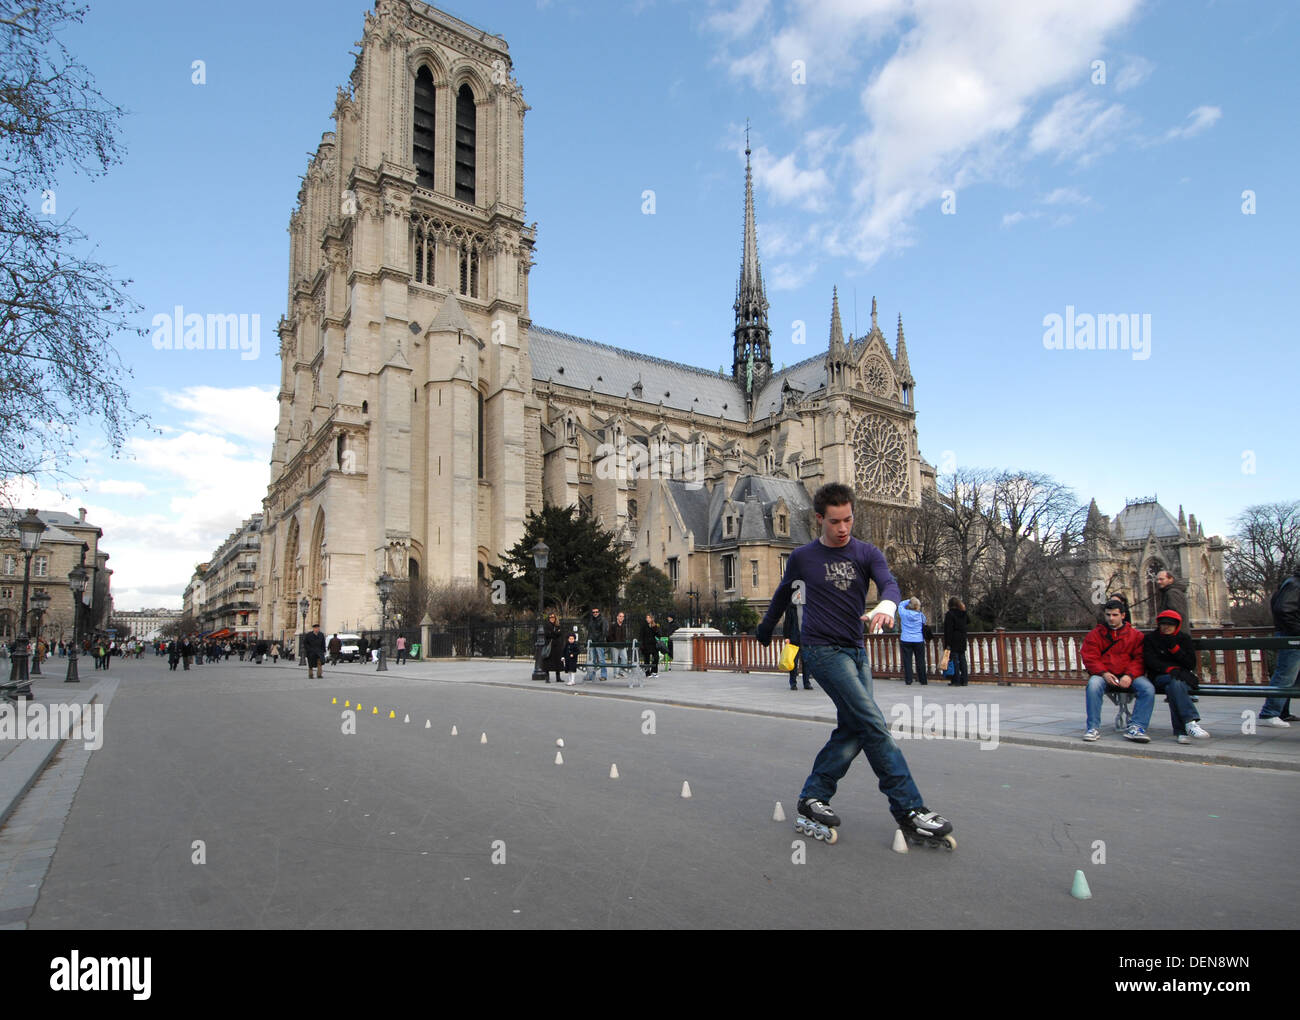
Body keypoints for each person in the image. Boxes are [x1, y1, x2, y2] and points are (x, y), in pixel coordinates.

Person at [755, 482, 954, 846]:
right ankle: (909, 808)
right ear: (820, 519)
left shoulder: (867, 553)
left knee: (854, 728)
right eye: (835, 521)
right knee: (874, 723)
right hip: (822, 651)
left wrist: (886, 605)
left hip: (857, 651)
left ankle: (813, 795)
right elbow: (784, 591)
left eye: (848, 519)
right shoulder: (803, 556)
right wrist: (767, 627)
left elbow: (890, 584)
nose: (843, 528)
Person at [1080, 600, 1154, 742]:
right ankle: (1092, 727)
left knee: (1147, 688)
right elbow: (1090, 657)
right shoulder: (1095, 634)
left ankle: (1137, 726)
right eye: (1108, 615)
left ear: (1123, 615)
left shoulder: (1135, 635)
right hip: (1104, 674)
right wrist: (1104, 673)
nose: (1111, 618)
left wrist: (1130, 675)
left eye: (1115, 615)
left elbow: (1140, 659)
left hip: (1129, 675)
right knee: (1093, 685)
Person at [1143, 610, 1210, 743]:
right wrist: (1170, 669)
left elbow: (1190, 663)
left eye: (1170, 624)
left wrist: (1175, 649)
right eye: (1163, 624)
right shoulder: (1151, 639)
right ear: (1159, 624)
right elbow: (1150, 661)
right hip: (1160, 676)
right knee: (1175, 683)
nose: (1166, 627)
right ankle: (1190, 722)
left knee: (1174, 686)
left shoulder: (1183, 638)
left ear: (1176, 625)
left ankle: (1182, 732)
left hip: (1181, 677)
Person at [1259, 572, 1300, 727]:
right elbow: (1284, 610)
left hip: (1291, 634)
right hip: (1292, 637)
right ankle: (1269, 713)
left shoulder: (1291, 583)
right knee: (1285, 675)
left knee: (1292, 677)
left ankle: (1282, 711)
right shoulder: (1294, 584)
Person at [897, 597, 927, 686]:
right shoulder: (921, 615)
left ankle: (909, 680)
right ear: (918, 606)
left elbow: (900, 605)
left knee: (907, 660)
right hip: (918, 639)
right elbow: (924, 623)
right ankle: (923, 679)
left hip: (906, 639)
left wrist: (909, 600)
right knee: (920, 660)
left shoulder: (904, 613)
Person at [782, 603, 812, 690]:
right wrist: (786, 637)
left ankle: (807, 683)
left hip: (805, 639)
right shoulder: (790, 608)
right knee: (793, 663)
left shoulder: (807, 607)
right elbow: (787, 623)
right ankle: (793, 683)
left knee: (806, 662)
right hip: (793, 639)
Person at [942, 597, 969, 686]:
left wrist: (947, 644)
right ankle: (964, 679)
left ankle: (956, 680)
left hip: (953, 639)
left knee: (954, 661)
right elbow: (968, 622)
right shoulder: (963, 613)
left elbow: (948, 630)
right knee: (962, 660)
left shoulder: (949, 614)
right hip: (962, 638)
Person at [585, 607, 609, 682]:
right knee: (593, 660)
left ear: (599, 612)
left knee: (601, 659)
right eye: (593, 612)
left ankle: (604, 675)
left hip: (599, 642)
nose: (595, 613)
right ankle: (592, 674)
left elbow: (604, 631)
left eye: (596, 612)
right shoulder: (591, 621)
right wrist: (588, 641)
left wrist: (600, 640)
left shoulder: (603, 620)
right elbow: (589, 632)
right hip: (592, 642)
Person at [543, 612, 563, 683]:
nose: (552, 618)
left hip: (557, 646)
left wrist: (553, 633)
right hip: (549, 645)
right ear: (548, 618)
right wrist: (555, 633)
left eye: (553, 617)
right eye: (550, 617)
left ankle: (558, 678)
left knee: (557, 662)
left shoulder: (557, 625)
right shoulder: (546, 625)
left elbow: (559, 633)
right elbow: (547, 634)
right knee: (548, 662)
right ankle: (547, 678)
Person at [639, 613, 661, 677]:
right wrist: (642, 645)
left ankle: (654, 671)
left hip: (653, 645)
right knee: (647, 659)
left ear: (652, 619)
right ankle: (647, 673)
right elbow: (641, 636)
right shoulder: (644, 626)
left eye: (649, 618)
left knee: (656, 658)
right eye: (647, 618)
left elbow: (659, 635)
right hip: (646, 645)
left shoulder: (655, 626)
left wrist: (655, 628)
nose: (647, 619)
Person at [609, 611, 630, 678]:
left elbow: (624, 636)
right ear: (617, 617)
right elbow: (609, 635)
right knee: (615, 660)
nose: (621, 617)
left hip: (622, 645)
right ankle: (615, 674)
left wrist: (624, 642)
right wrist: (613, 642)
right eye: (620, 616)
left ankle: (621, 672)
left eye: (622, 616)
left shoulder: (624, 626)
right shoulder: (613, 625)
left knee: (625, 659)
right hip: (615, 645)